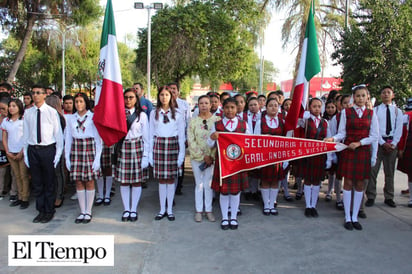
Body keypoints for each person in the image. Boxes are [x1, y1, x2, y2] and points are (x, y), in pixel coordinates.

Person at [325, 85, 378, 230]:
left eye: (363, 95)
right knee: (347, 183)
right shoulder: (346, 113)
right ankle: (347, 216)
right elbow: (342, 133)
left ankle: (355, 216)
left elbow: (374, 136)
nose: (360, 98)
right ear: (354, 97)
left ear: (367, 97)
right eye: (358, 96)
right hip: (348, 150)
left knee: (360, 184)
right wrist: (333, 139)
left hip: (362, 151)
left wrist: (360, 143)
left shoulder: (371, 114)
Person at [208, 97, 250, 230]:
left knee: (236, 191)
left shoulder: (244, 124)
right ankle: (225, 217)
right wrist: (212, 137)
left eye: (232, 107)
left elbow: (249, 142)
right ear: (223, 108)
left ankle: (233, 217)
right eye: (227, 107)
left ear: (237, 109)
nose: (229, 110)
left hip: (238, 163)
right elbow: (210, 144)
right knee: (224, 192)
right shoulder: (217, 125)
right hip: (223, 163)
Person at [23, 84, 64, 223]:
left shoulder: (51, 112)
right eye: (33, 93)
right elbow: (26, 134)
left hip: (48, 149)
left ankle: (49, 210)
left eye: (38, 92)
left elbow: (58, 135)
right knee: (37, 182)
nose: (35, 95)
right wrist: (26, 155)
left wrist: (57, 155)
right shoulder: (28, 113)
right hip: (33, 149)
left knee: (49, 182)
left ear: (44, 95)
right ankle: (40, 210)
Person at [65, 93, 102, 224]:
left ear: (86, 103)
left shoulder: (92, 117)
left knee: (89, 181)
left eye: (81, 101)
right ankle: (82, 211)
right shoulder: (71, 118)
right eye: (76, 102)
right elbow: (68, 138)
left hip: (89, 148)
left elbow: (98, 140)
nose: (78, 104)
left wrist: (97, 158)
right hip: (76, 149)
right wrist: (67, 157)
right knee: (79, 181)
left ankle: (89, 211)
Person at [150, 86, 185, 221]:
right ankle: (161, 209)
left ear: (171, 97)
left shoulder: (178, 113)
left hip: (172, 146)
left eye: (167, 95)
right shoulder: (154, 113)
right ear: (158, 97)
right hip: (159, 145)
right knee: (161, 180)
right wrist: (150, 154)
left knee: (170, 179)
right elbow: (151, 132)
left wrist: (181, 155)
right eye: (161, 95)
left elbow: (181, 136)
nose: (164, 97)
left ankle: (169, 209)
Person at [366, 86, 403, 208]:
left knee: (390, 171)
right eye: (383, 93)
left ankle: (389, 196)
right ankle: (371, 196)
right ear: (380, 95)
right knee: (373, 170)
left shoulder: (398, 111)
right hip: (378, 143)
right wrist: (382, 143)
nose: (386, 94)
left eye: (388, 92)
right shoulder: (375, 111)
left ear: (393, 95)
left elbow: (399, 130)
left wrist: (394, 144)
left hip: (392, 144)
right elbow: (374, 129)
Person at [116, 88, 149, 222]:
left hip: (137, 148)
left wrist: (146, 155)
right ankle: (126, 209)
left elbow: (146, 137)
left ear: (136, 99)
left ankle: (133, 209)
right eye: (126, 97)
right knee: (124, 182)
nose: (128, 100)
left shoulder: (142, 116)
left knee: (136, 181)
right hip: (122, 147)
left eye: (131, 97)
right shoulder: (118, 114)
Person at [188, 95, 219, 222]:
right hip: (198, 158)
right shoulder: (193, 122)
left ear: (211, 105)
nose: (204, 105)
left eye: (207, 103)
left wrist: (211, 156)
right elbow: (191, 141)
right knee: (199, 184)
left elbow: (220, 139)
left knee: (208, 184)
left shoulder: (217, 120)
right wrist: (203, 156)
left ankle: (209, 210)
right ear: (198, 105)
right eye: (201, 103)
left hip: (212, 159)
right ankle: (199, 210)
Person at [254, 98, 285, 215]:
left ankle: (272, 204)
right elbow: (255, 139)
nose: (273, 108)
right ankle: (266, 204)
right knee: (265, 180)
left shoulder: (282, 122)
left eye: (275, 105)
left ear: (278, 108)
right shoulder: (260, 121)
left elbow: (286, 140)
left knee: (275, 181)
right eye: (270, 105)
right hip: (264, 155)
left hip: (277, 155)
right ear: (266, 108)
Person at [301, 98, 331, 217]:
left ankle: (314, 205)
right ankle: (308, 205)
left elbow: (328, 140)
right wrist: (304, 115)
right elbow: (298, 123)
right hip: (308, 154)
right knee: (308, 180)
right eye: (314, 106)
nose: (317, 108)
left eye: (319, 106)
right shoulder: (306, 121)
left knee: (317, 180)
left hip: (320, 154)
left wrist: (329, 158)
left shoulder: (325, 122)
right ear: (309, 107)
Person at [2, 98, 30, 209]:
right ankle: (19, 196)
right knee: (16, 175)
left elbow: (26, 137)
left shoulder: (23, 120)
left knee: (24, 175)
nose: (11, 108)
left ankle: (25, 198)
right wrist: (7, 151)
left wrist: (22, 151)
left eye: (14, 106)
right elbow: (4, 137)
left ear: (19, 107)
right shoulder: (6, 121)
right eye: (10, 106)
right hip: (11, 152)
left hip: (22, 151)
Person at [168, 82, 190, 196]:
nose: (172, 91)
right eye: (170, 89)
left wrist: (187, 138)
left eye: (174, 89)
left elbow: (188, 122)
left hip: (181, 137)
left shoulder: (184, 104)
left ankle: (178, 187)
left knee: (180, 163)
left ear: (178, 91)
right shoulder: (165, 104)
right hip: (169, 138)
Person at [45, 95, 66, 208]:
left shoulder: (59, 117)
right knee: (50, 173)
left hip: (57, 147)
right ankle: (53, 194)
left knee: (58, 172)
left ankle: (59, 195)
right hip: (47, 147)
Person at [397, 98, 412, 207]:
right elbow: (403, 133)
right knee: (410, 172)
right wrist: (401, 148)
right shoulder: (407, 116)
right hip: (409, 147)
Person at [323, 100, 338, 201]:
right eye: (328, 107)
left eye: (332, 107)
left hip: (336, 144)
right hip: (324, 146)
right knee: (325, 171)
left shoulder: (339, 118)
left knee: (334, 172)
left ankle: (330, 190)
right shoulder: (323, 120)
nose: (330, 109)